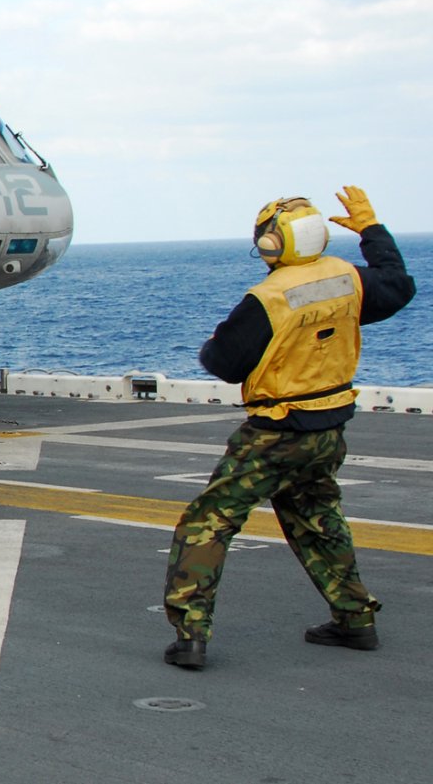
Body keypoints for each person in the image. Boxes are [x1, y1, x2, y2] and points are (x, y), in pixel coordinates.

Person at [162, 187, 416, 670]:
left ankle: (191, 635)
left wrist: (216, 339)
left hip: (276, 432)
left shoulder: (269, 298)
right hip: (330, 428)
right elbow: (398, 285)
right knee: (317, 519)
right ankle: (355, 619)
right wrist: (371, 230)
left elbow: (224, 363)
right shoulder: (347, 278)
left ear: (274, 243)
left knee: (207, 523)